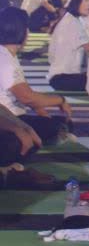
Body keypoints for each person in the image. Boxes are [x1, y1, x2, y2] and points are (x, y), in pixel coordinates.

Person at [0, 8, 73, 144]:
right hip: (9, 119)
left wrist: (43, 114)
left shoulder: (7, 54)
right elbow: (26, 97)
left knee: (59, 123)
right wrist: (60, 100)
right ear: (21, 31)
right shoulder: (4, 58)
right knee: (56, 127)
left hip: (13, 115)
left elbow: (26, 95)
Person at [47, 0, 89, 91]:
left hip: (62, 76)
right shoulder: (72, 23)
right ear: (76, 2)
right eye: (86, 0)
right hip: (62, 78)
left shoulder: (74, 19)